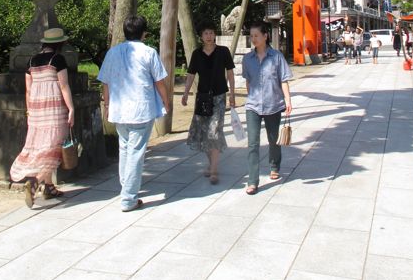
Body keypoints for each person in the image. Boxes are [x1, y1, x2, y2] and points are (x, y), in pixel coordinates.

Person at [98, 15, 170, 212]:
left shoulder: (112, 53)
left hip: (119, 108)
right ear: (144, 32)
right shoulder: (149, 52)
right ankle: (129, 198)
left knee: (125, 148)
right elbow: (159, 81)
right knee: (136, 152)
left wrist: (106, 105)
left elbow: (105, 81)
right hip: (140, 109)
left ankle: (126, 187)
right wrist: (166, 100)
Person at [10, 28, 75, 208]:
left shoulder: (32, 61)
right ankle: (35, 182)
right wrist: (71, 108)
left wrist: (29, 110)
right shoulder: (58, 59)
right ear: (59, 44)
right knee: (53, 147)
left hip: (37, 110)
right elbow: (64, 86)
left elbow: (28, 89)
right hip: (53, 109)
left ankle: (49, 187)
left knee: (42, 147)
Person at [181, 22, 236, 185]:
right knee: (204, 133)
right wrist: (185, 93)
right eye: (206, 33)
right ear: (201, 36)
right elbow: (191, 75)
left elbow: (231, 73)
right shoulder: (196, 54)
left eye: (211, 32)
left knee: (214, 131)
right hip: (202, 98)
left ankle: (214, 169)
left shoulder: (223, 52)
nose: (209, 36)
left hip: (219, 96)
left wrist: (232, 94)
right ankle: (211, 163)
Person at [242, 22, 293, 195]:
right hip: (253, 105)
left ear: (265, 36)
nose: (253, 39)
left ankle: (274, 165)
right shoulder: (247, 59)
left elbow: (283, 80)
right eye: (251, 36)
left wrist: (288, 100)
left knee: (273, 139)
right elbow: (248, 82)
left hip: (273, 104)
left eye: (256, 35)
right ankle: (252, 181)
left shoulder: (277, 57)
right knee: (253, 144)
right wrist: (250, 98)